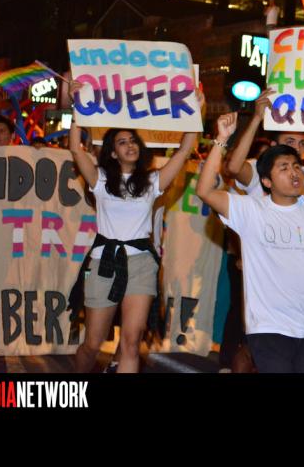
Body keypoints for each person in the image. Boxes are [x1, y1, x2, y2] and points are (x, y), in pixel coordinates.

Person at [196, 112, 304, 373]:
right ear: (266, 181)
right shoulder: (251, 210)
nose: (294, 172)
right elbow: (205, 191)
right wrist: (221, 140)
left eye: (296, 166)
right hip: (266, 326)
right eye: (284, 168)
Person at [69, 93, 204, 374]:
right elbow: (75, 150)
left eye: (133, 140)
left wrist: (196, 112)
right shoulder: (100, 179)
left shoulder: (153, 181)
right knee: (92, 344)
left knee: (131, 343)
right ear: (112, 152)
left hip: (142, 264)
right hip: (104, 262)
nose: (130, 145)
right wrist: (76, 107)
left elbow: (183, 152)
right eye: (122, 142)